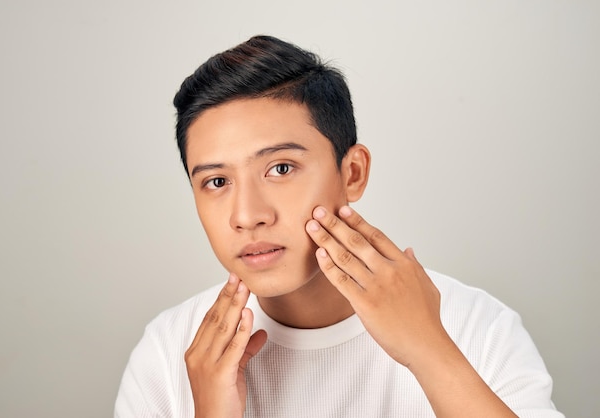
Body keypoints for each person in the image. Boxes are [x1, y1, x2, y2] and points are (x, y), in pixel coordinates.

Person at [115, 35, 563, 418]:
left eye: (281, 169)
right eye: (216, 181)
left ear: (352, 174)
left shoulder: (477, 326)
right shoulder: (170, 350)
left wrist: (430, 351)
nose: (247, 215)